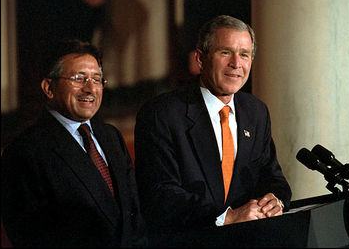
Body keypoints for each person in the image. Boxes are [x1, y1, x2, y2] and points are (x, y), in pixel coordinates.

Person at [134, 15, 292, 236]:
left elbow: (272, 177)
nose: (236, 64)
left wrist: (275, 200)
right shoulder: (163, 113)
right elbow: (160, 193)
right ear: (201, 58)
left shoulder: (256, 112)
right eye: (225, 52)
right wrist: (225, 218)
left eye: (244, 55)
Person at [1, 39, 148, 248]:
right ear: (49, 88)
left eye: (97, 79)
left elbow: (134, 215)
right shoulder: (25, 151)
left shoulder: (111, 137)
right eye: (79, 78)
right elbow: (31, 237)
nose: (90, 88)